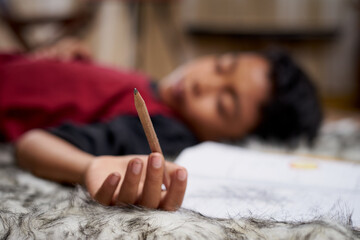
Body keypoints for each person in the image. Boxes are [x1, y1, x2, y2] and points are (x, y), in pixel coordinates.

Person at [0, 39, 322, 210]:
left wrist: (89, 167)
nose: (203, 83)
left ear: (230, 139)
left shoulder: (167, 130)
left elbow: (32, 144)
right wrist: (77, 62)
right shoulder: (156, 90)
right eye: (221, 65)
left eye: (223, 105)